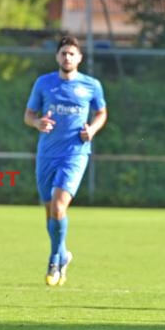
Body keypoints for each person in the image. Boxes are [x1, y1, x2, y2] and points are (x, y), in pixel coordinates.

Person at [24, 35, 107, 286]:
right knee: (50, 212)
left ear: (79, 58)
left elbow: (101, 112)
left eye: (72, 53)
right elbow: (29, 114)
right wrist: (37, 122)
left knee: (60, 206)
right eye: (63, 53)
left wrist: (91, 130)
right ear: (57, 57)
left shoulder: (91, 85)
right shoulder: (44, 83)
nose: (67, 57)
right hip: (47, 153)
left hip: (75, 153)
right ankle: (63, 254)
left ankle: (54, 259)